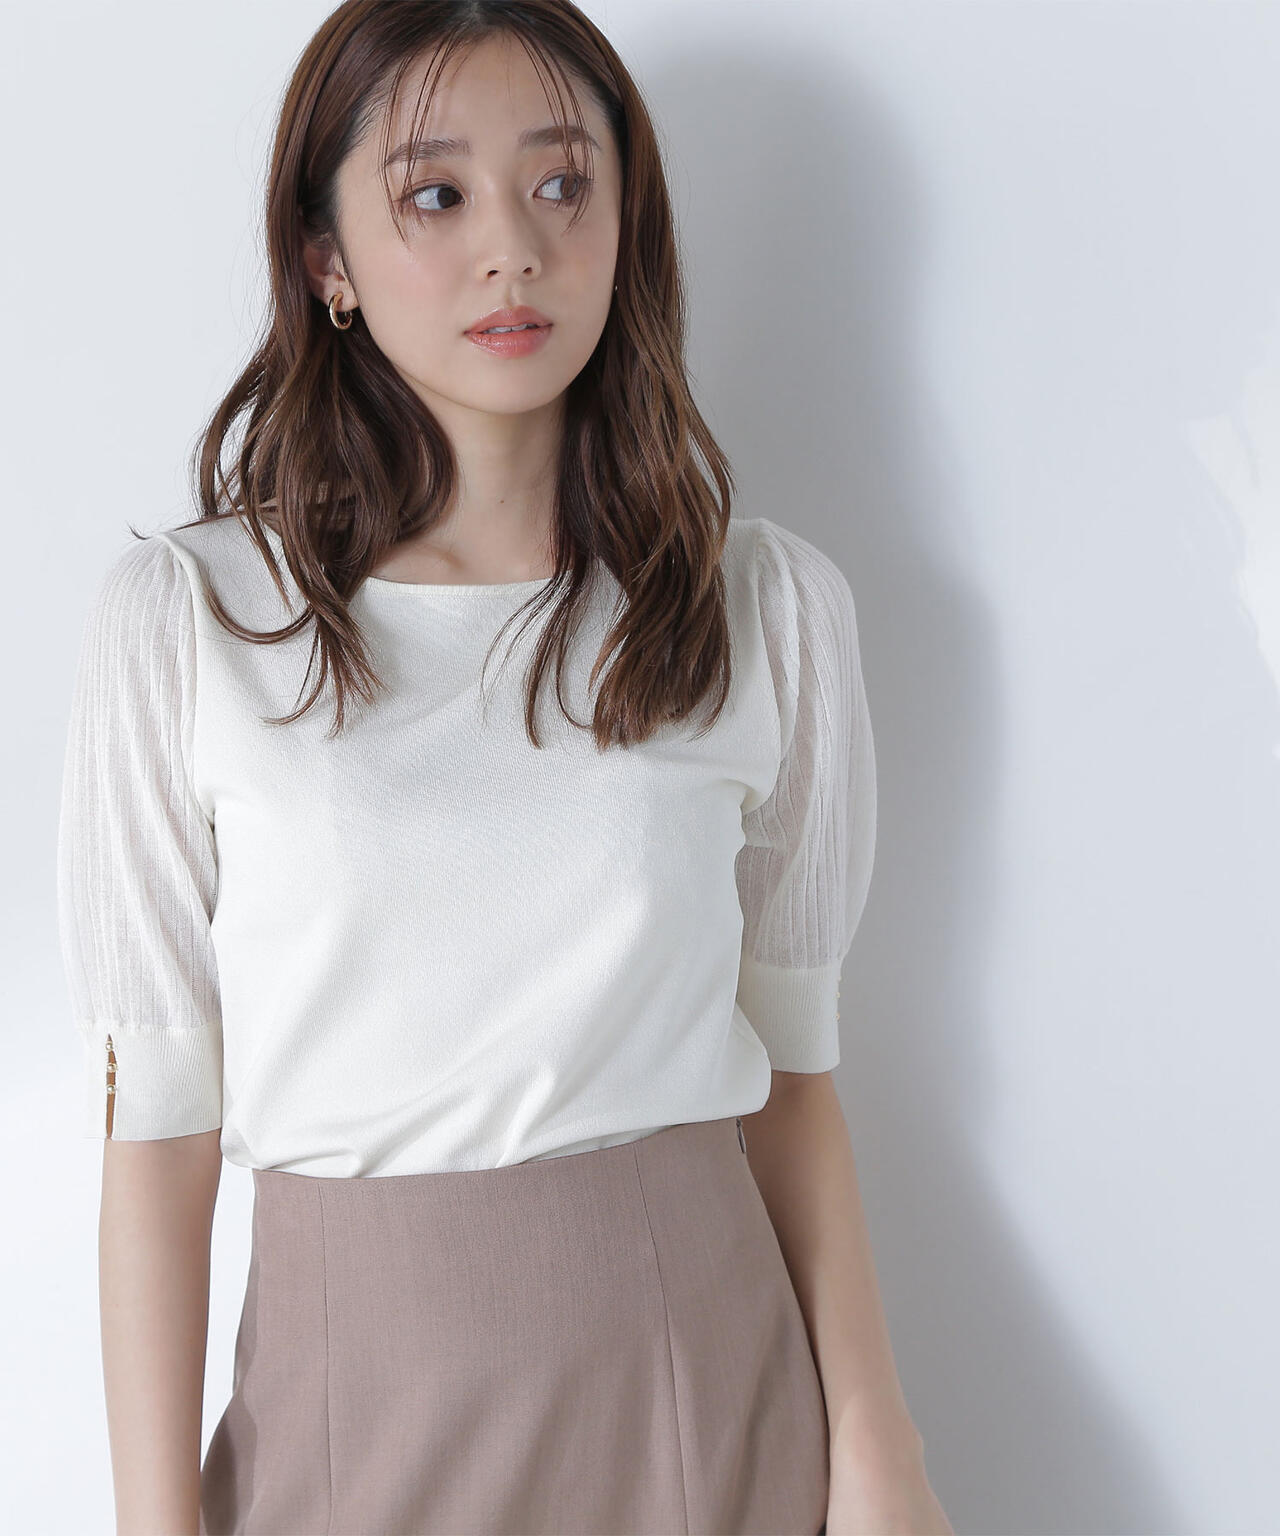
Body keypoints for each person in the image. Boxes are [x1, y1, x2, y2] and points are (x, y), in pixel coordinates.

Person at [56, 2, 952, 1533]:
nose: (513, 251)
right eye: (435, 194)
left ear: (625, 222)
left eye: (560, 185)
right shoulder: (192, 623)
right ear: (326, 260)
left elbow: (797, 1091)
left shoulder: (765, 610)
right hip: (351, 1430)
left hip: (710, 1408)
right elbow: (159, 1138)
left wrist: (880, 1456)